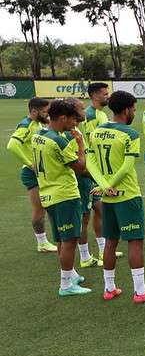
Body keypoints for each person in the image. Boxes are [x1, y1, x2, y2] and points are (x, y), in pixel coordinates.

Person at [86, 91, 145, 303]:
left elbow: (90, 163)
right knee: (134, 242)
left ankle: (109, 288)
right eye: (133, 108)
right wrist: (110, 184)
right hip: (127, 196)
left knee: (110, 241)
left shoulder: (96, 132)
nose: (134, 112)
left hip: (107, 197)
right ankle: (140, 291)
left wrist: (103, 186)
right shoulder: (130, 134)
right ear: (125, 110)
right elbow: (127, 166)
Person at [31, 99, 91, 296]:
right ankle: (66, 284)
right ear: (63, 117)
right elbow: (81, 168)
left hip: (47, 193)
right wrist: (80, 145)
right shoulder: (59, 140)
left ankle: (70, 274)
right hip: (64, 194)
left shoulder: (38, 134)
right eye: (73, 119)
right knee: (70, 240)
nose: (75, 123)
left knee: (61, 239)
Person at [7, 97, 57, 252]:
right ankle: (42, 243)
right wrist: (30, 164)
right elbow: (12, 145)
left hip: (42, 172)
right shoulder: (26, 125)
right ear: (34, 111)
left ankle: (51, 239)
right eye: (44, 112)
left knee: (49, 206)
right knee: (39, 209)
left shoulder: (36, 123)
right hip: (31, 173)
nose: (47, 115)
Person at [75, 83, 117, 267]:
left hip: (96, 171)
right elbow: (93, 144)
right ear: (94, 95)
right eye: (104, 94)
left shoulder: (101, 113)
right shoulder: (91, 116)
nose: (108, 97)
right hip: (90, 171)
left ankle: (102, 250)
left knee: (99, 209)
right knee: (85, 215)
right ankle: (85, 256)